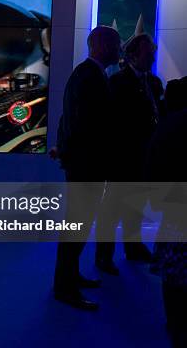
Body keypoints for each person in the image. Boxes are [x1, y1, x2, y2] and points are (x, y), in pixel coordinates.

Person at [54, 26, 121, 310]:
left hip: (84, 164)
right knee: (76, 227)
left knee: (78, 226)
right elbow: (82, 124)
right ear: (103, 46)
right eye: (117, 44)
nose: (120, 50)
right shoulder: (89, 76)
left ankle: (70, 278)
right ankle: (65, 288)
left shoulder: (87, 74)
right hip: (86, 167)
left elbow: (67, 119)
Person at [95, 33, 164, 274]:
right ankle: (104, 257)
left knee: (136, 205)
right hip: (123, 157)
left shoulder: (154, 84)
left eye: (153, 52)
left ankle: (133, 248)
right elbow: (112, 121)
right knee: (112, 209)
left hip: (143, 157)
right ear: (133, 55)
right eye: (149, 53)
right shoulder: (117, 83)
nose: (153, 57)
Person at [146, 77, 187, 346]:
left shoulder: (166, 126)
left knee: (173, 273)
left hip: (174, 207)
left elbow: (152, 166)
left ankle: (176, 325)